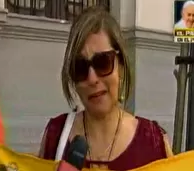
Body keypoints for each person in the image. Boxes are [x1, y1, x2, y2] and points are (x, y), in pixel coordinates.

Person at [38, 7, 173, 170]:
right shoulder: (55, 136)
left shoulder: (153, 142)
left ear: (121, 66)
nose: (92, 79)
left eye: (103, 63)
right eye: (80, 68)